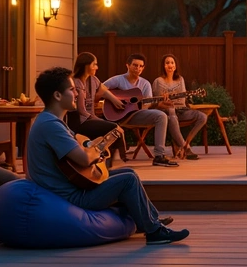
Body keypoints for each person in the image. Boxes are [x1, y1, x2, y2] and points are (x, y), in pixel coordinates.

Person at [26, 66, 188, 245]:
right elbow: (84, 158)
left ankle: (152, 221)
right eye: (73, 90)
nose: (79, 94)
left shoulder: (51, 121)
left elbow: (78, 149)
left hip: (73, 185)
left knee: (129, 173)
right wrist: (98, 151)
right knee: (128, 180)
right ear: (57, 95)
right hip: (71, 196)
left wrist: (93, 149)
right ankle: (154, 232)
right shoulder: (51, 126)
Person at [103, 53, 178, 167]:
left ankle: (159, 156)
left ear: (143, 68)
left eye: (140, 66)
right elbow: (99, 89)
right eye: (135, 65)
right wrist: (113, 99)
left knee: (161, 116)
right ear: (127, 65)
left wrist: (159, 103)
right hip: (116, 115)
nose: (137, 68)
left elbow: (147, 104)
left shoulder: (145, 84)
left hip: (135, 115)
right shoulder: (118, 80)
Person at [68, 52, 127, 164]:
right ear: (86, 65)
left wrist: (115, 100)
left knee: (114, 129)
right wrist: (98, 120)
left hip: (90, 119)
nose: (97, 67)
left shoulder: (93, 80)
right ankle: (109, 159)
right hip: (80, 122)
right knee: (113, 128)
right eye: (94, 64)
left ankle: (105, 158)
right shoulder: (76, 83)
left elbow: (104, 90)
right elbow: (81, 111)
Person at [153, 54, 207, 161]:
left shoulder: (180, 79)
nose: (170, 65)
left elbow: (182, 101)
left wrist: (172, 100)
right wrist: (165, 102)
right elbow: (156, 103)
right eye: (167, 63)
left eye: (172, 63)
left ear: (175, 66)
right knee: (172, 113)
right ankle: (185, 148)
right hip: (167, 112)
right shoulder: (158, 81)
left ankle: (186, 142)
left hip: (182, 110)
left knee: (203, 117)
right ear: (163, 66)